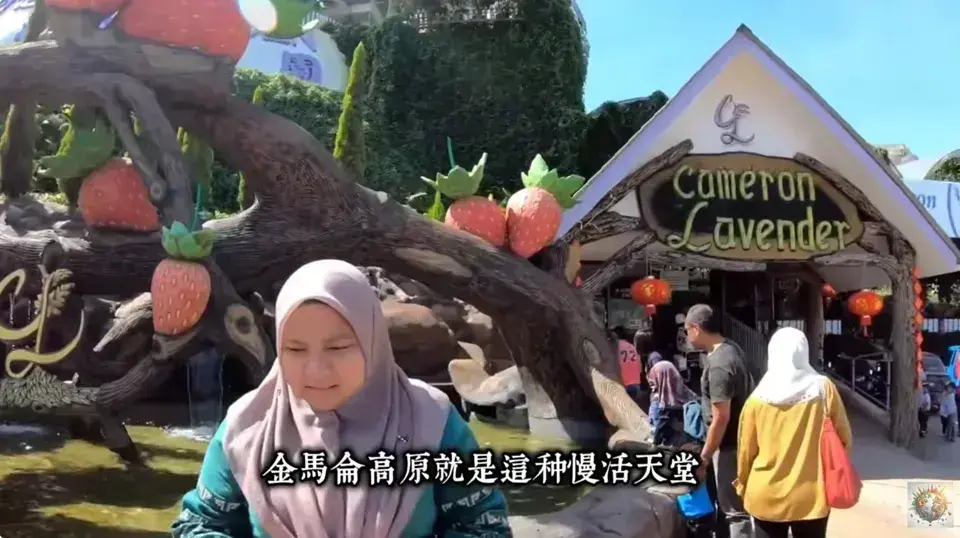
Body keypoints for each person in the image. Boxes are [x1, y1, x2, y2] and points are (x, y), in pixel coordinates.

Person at [171, 260, 511, 538]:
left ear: (371, 340)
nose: (316, 370)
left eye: (337, 347)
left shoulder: (433, 423)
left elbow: (483, 526)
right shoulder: (246, 428)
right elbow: (200, 525)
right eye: (295, 349)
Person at [736, 327, 852, 538]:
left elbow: (745, 453)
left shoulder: (756, 400)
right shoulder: (823, 389)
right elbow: (844, 438)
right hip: (812, 495)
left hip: (765, 494)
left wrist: (742, 485)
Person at [684, 304, 754, 538]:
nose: (687, 336)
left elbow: (721, 417)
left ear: (696, 328)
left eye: (686, 330)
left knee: (735, 512)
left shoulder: (719, 365)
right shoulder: (731, 349)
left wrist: (704, 458)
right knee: (727, 508)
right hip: (737, 440)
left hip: (728, 446)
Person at [647, 360, 697, 446]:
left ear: (660, 378)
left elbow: (659, 426)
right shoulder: (687, 394)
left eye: (654, 380)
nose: (652, 385)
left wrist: (655, 442)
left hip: (673, 447)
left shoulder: (660, 403)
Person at [615, 327, 643, 402]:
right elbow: (640, 368)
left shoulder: (614, 347)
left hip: (622, 383)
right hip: (635, 382)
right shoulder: (632, 347)